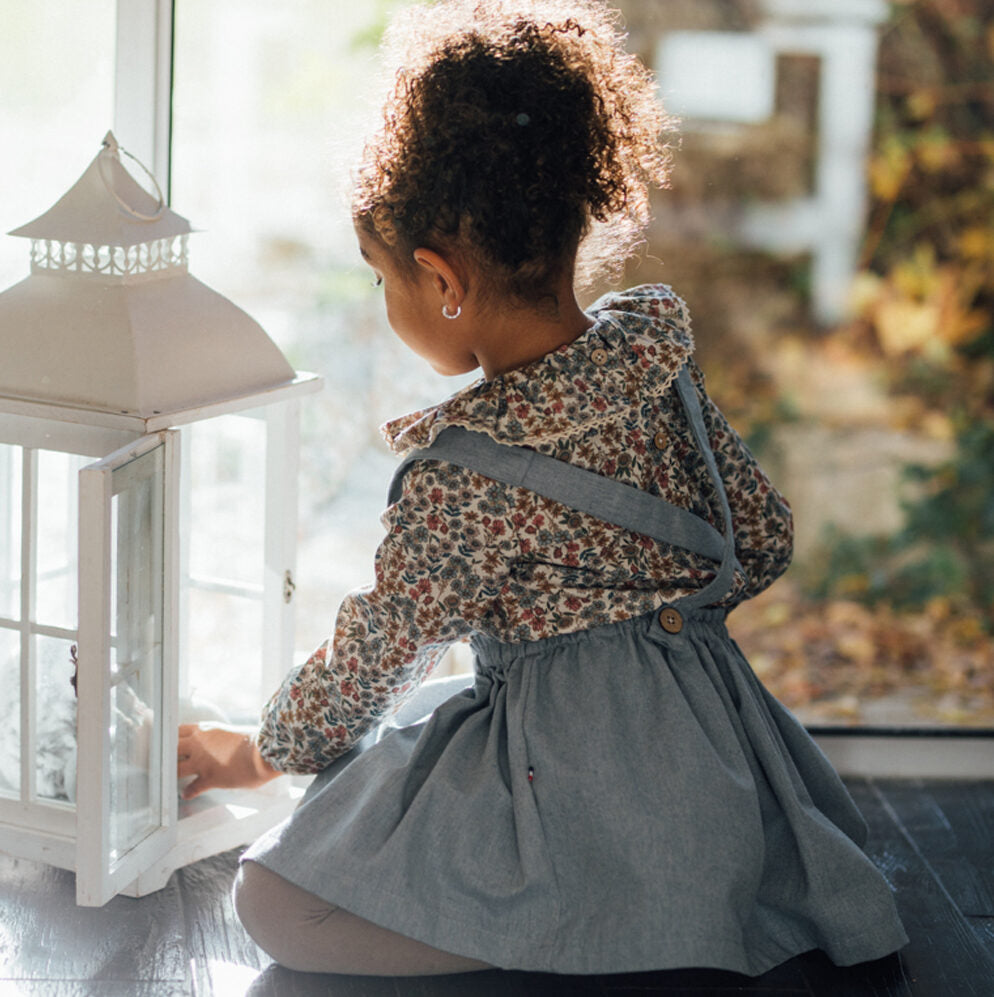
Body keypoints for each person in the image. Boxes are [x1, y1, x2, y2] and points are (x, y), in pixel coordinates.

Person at [177, 0, 908, 977]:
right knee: (423, 725)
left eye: (380, 280)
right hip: (720, 781)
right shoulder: (654, 355)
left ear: (440, 279)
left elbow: (367, 668)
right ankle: (669, 907)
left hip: (560, 788)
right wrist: (649, 637)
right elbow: (762, 536)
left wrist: (250, 753)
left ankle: (566, 933)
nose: (385, 301)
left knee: (270, 899)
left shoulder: (461, 475)